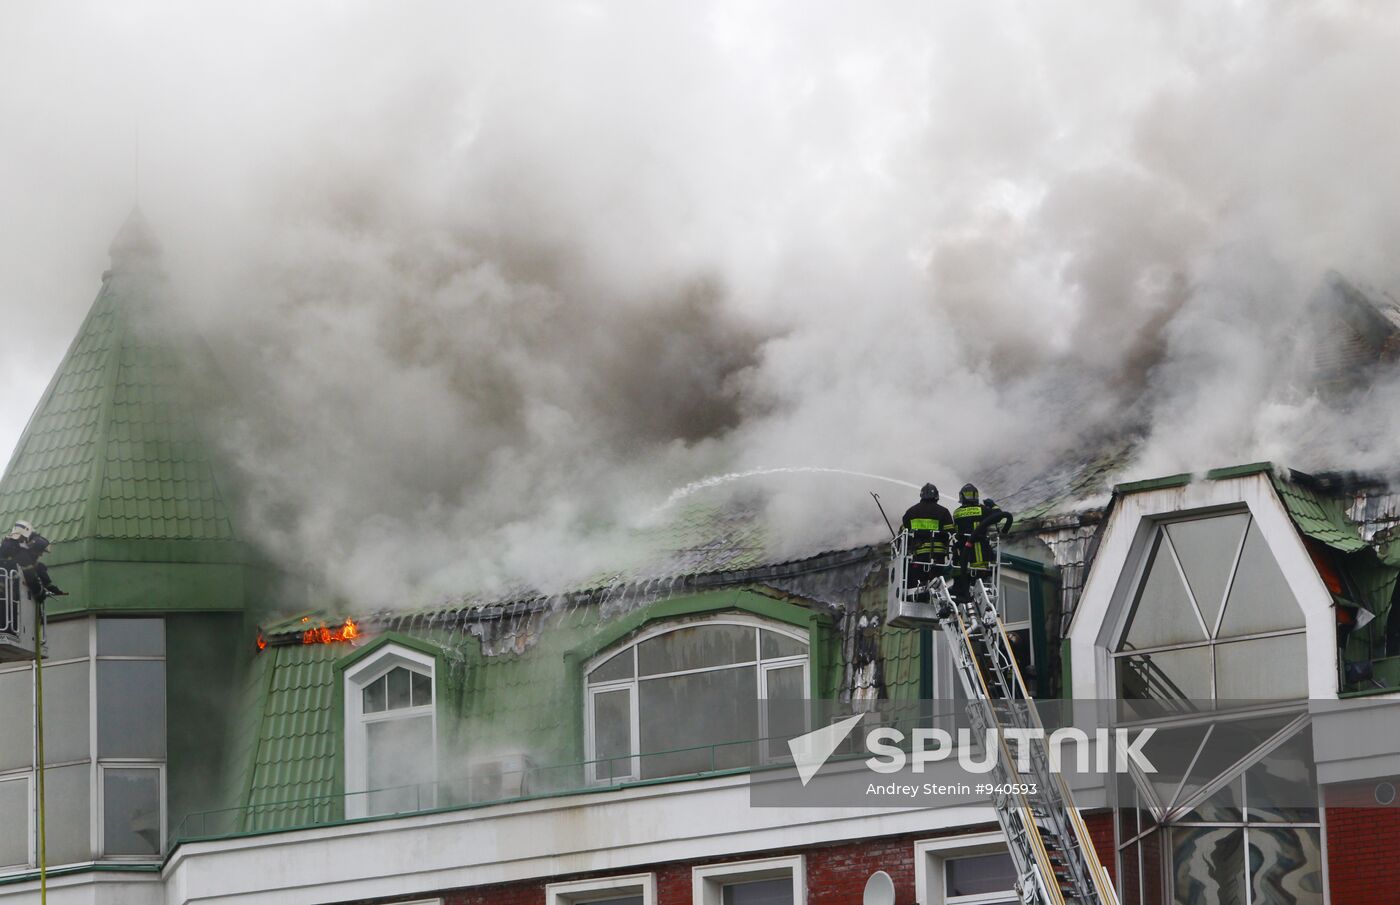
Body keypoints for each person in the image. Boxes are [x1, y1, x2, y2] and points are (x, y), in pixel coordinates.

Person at [951, 484, 1013, 602]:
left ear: (962, 497)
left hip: (962, 557)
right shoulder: (982, 510)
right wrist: (992, 505)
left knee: (962, 587)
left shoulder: (956, 513)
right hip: (980, 557)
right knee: (983, 587)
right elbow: (998, 515)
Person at [900, 483, 953, 601]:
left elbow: (904, 532)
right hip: (937, 555)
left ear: (922, 495)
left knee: (916, 582)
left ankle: (918, 597)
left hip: (918, 554)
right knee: (936, 580)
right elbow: (950, 532)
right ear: (937, 496)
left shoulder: (911, 511)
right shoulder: (943, 511)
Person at [0, 521, 67, 601]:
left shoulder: (11, 546)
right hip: (8, 597)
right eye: (40, 551)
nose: (41, 555)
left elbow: (38, 569)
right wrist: (40, 594)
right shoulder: (23, 556)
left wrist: (50, 587)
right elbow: (31, 578)